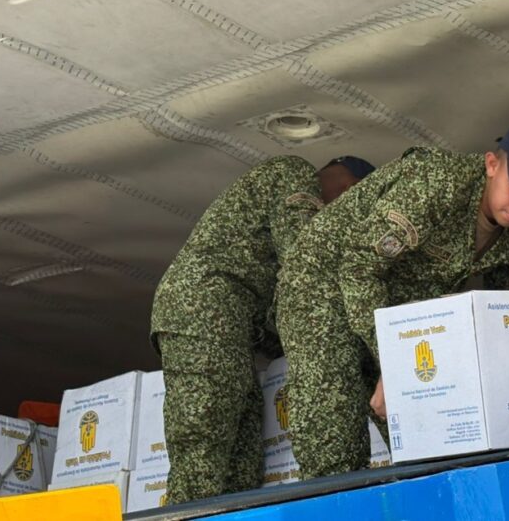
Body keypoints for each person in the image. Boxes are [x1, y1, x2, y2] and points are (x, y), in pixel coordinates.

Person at [275, 122, 509, 479]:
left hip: (396, 311)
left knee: (427, 439)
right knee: (334, 436)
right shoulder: (436, 183)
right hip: (321, 286)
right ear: (492, 165)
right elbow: (358, 268)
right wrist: (397, 364)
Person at [151, 155, 374, 504]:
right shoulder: (295, 173)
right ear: (349, 189)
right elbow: (304, 260)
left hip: (232, 328)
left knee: (241, 465)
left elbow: (287, 313)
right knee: (201, 454)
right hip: (202, 311)